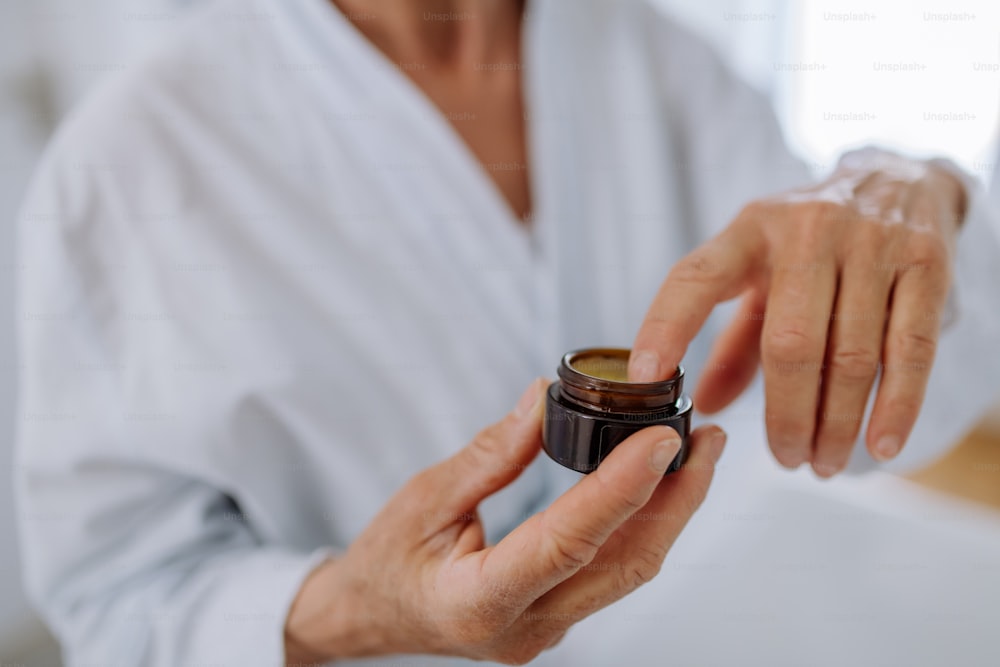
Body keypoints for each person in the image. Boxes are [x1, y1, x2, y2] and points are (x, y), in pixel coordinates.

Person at [14, 0, 1000, 664]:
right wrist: (360, 606)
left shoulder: (653, 58)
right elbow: (114, 590)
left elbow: (886, 402)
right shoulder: (134, 157)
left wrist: (923, 190)